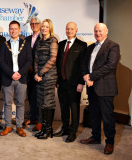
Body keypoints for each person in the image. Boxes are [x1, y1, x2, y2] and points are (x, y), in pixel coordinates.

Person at [80, 23, 120, 154]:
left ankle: (110, 142)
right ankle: (96, 137)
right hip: (92, 86)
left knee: (107, 116)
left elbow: (110, 65)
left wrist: (91, 76)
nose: (98, 33)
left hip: (105, 87)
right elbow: (85, 64)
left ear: (106, 31)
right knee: (94, 114)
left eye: (100, 31)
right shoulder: (90, 47)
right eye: (96, 31)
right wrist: (86, 77)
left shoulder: (113, 46)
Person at [54, 22, 87, 142]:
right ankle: (65, 128)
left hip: (74, 83)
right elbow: (58, 64)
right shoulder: (61, 44)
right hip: (61, 81)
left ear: (76, 30)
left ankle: (73, 132)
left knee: (74, 108)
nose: (69, 31)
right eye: (67, 29)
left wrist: (81, 82)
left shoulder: (82, 45)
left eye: (72, 29)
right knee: (63, 107)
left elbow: (83, 65)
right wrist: (57, 79)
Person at [0, 21, 32, 137]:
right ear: (9, 30)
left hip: (21, 79)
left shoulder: (26, 44)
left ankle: (19, 126)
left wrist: (20, 73)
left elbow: (29, 61)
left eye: (15, 29)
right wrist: (11, 74)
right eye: (11, 29)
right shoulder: (3, 44)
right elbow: (1, 62)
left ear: (19, 30)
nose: (13, 31)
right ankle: (7, 126)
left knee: (20, 104)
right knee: (7, 103)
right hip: (8, 78)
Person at [34, 19, 58, 139]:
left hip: (49, 76)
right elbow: (36, 60)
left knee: (48, 103)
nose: (44, 28)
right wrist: (36, 73)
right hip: (39, 77)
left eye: (46, 27)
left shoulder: (53, 40)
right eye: (42, 26)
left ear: (50, 28)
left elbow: (53, 59)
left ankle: (48, 129)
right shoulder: (39, 42)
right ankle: (44, 128)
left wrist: (41, 73)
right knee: (41, 103)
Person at [23, 17, 42, 131]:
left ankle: (40, 120)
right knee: (30, 96)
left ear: (39, 25)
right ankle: (33, 117)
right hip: (28, 73)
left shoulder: (43, 37)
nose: (34, 25)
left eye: (36, 23)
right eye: (32, 24)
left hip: (39, 73)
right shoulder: (27, 38)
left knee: (38, 97)